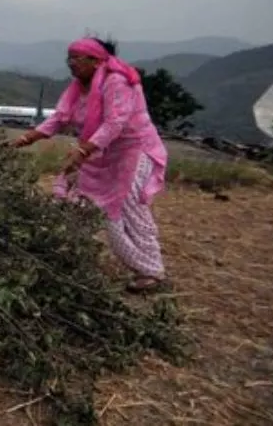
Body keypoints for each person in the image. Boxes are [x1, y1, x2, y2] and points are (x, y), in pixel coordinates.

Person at [11, 37, 169, 293]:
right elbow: (60, 117)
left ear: (96, 61)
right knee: (81, 202)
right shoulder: (77, 88)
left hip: (134, 150)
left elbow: (115, 123)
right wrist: (26, 138)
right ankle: (67, 255)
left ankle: (152, 271)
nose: (71, 63)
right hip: (102, 153)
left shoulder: (116, 81)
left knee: (128, 207)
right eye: (69, 58)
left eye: (77, 58)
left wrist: (84, 150)